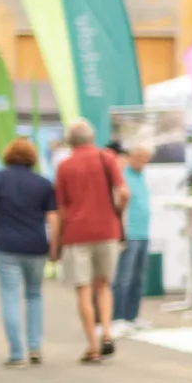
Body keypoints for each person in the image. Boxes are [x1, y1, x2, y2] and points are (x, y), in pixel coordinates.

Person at [52, 121, 129, 364]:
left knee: (83, 289)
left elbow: (61, 208)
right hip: (107, 229)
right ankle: (107, 332)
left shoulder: (64, 166)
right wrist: (118, 211)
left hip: (76, 234)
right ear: (92, 137)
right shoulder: (107, 158)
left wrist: (56, 243)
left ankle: (93, 346)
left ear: (70, 142)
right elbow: (124, 192)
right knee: (104, 285)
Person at [0, 139, 58, 366]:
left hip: (6, 246)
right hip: (36, 246)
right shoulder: (43, 183)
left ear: (8, 156)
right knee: (34, 295)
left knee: (10, 297)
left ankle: (16, 352)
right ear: (33, 158)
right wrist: (54, 246)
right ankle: (35, 347)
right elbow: (53, 217)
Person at [112, 143, 154, 332]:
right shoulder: (123, 175)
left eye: (145, 158)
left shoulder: (141, 176)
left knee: (139, 277)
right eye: (139, 157)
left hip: (143, 233)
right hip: (129, 232)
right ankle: (118, 316)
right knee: (124, 277)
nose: (142, 161)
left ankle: (132, 316)